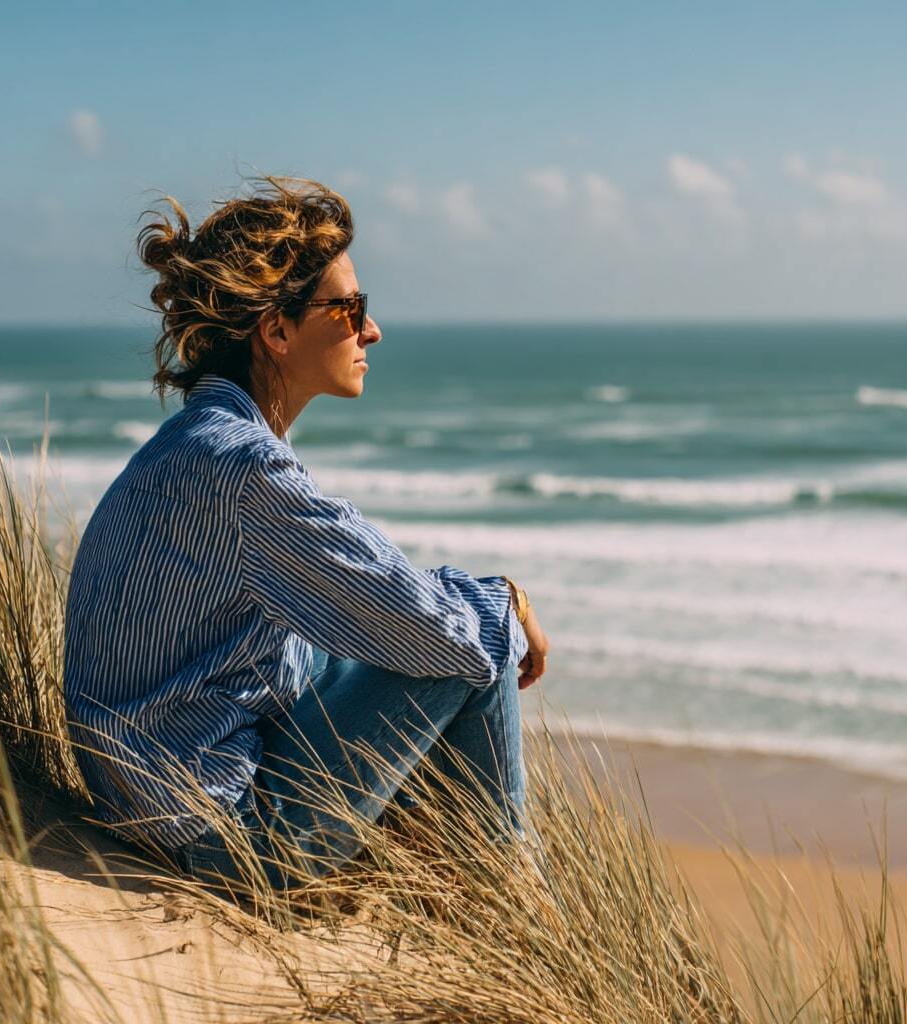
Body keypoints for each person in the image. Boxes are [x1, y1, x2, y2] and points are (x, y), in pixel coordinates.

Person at [62, 176, 550, 891]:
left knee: (409, 630)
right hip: (228, 841)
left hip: (151, 803)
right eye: (351, 309)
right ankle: (515, 902)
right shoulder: (246, 470)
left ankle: (439, 859)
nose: (371, 330)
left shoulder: (193, 443)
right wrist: (508, 606)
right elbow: (437, 633)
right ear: (279, 330)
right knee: (482, 637)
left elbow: (373, 605)